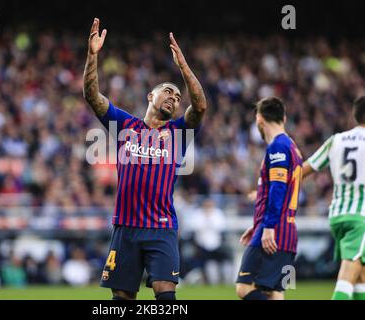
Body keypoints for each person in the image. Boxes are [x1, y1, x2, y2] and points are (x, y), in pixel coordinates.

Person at [83, 18, 207, 300]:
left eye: (177, 97)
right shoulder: (125, 125)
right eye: (168, 91)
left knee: (166, 295)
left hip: (161, 228)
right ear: (150, 96)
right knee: (121, 299)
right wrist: (92, 55)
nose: (174, 98)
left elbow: (199, 105)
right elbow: (92, 95)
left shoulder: (178, 133)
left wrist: (183, 67)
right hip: (125, 228)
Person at [236, 97, 303, 300]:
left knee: (244, 288)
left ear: (259, 119)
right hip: (287, 234)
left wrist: (268, 227)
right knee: (274, 293)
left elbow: (278, 189)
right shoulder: (293, 147)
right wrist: (259, 224)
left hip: (274, 233)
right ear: (283, 117)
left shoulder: (278, 146)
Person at [302, 96, 365, 300]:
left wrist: (271, 184)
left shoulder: (336, 140)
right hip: (361, 217)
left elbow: (302, 170)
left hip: (338, 215)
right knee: (349, 272)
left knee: (361, 277)